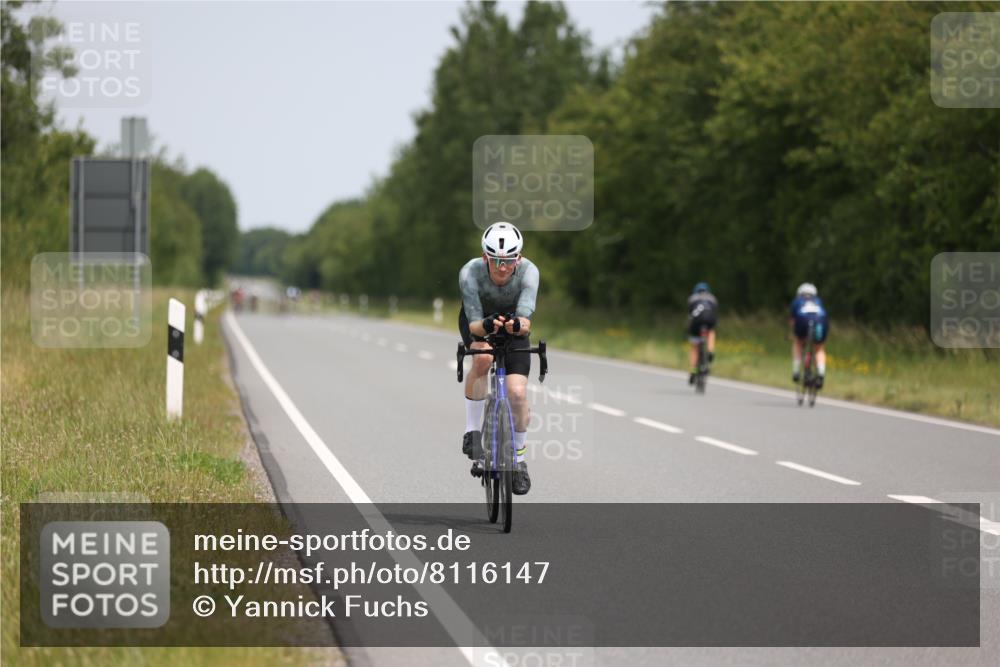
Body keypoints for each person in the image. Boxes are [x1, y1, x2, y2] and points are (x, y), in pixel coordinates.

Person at [458, 222, 539, 495]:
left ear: (518, 258)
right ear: (485, 257)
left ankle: (518, 460)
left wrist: (516, 325)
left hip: (514, 324)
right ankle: (473, 432)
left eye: (507, 260)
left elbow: (526, 322)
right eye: (495, 260)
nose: (502, 267)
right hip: (479, 320)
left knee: (517, 393)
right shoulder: (470, 272)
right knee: (482, 359)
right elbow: (474, 325)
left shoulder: (529, 272)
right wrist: (488, 325)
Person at [789, 282, 828, 388]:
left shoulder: (797, 301)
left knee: (798, 343)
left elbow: (793, 321)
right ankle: (820, 373)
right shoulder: (818, 301)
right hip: (820, 321)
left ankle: (796, 371)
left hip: (802, 321)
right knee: (819, 349)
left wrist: (794, 334)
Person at [687, 282, 718, 385]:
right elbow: (714, 313)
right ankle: (710, 350)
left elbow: (690, 316)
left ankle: (693, 371)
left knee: (695, 348)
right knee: (711, 332)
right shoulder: (712, 298)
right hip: (709, 321)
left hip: (696, 323)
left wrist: (688, 330)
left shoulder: (692, 298)